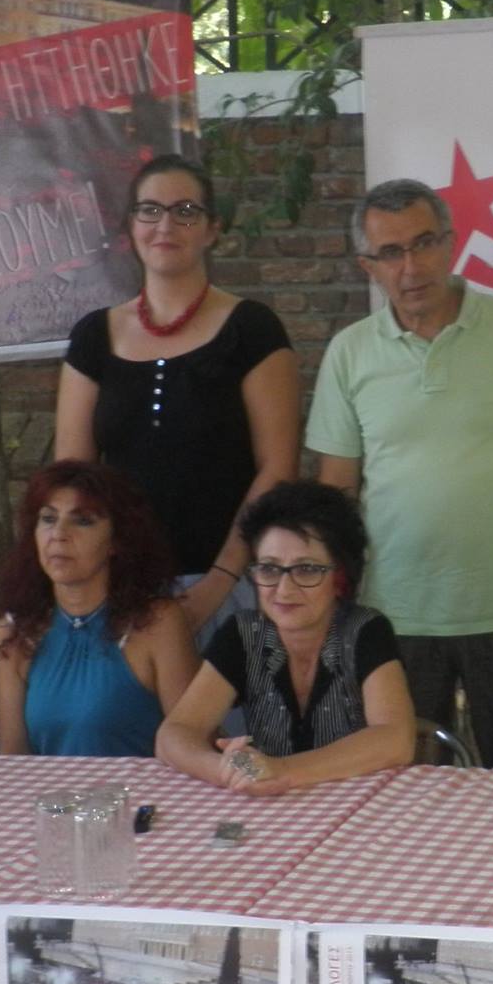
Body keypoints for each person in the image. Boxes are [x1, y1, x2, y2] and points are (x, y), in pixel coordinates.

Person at [306, 178, 493, 771]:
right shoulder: (350, 352)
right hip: (393, 610)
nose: (412, 267)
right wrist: (334, 600)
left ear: (451, 243)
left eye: (424, 243)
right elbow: (336, 492)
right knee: (403, 785)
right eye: (391, 252)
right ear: (367, 265)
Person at [55, 154, 300, 639]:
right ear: (130, 227)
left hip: (234, 589)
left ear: (212, 229)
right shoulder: (93, 337)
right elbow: (71, 477)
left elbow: (278, 469)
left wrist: (219, 583)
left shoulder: (253, 330)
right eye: (150, 210)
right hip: (120, 592)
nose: (165, 225)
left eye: (185, 211)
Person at [156, 480, 415, 793]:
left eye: (306, 569)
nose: (284, 589)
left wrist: (283, 771)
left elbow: (395, 739)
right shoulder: (243, 635)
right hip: (272, 808)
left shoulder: (367, 630)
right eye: (269, 569)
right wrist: (227, 769)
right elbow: (174, 733)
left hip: (360, 804)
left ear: (340, 578)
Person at [0, 461, 197, 758]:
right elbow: (13, 757)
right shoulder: (14, 631)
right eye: (48, 519)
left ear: (117, 541)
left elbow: (195, 741)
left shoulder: (158, 623)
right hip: (50, 789)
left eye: (82, 521)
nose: (58, 534)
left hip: (141, 788)